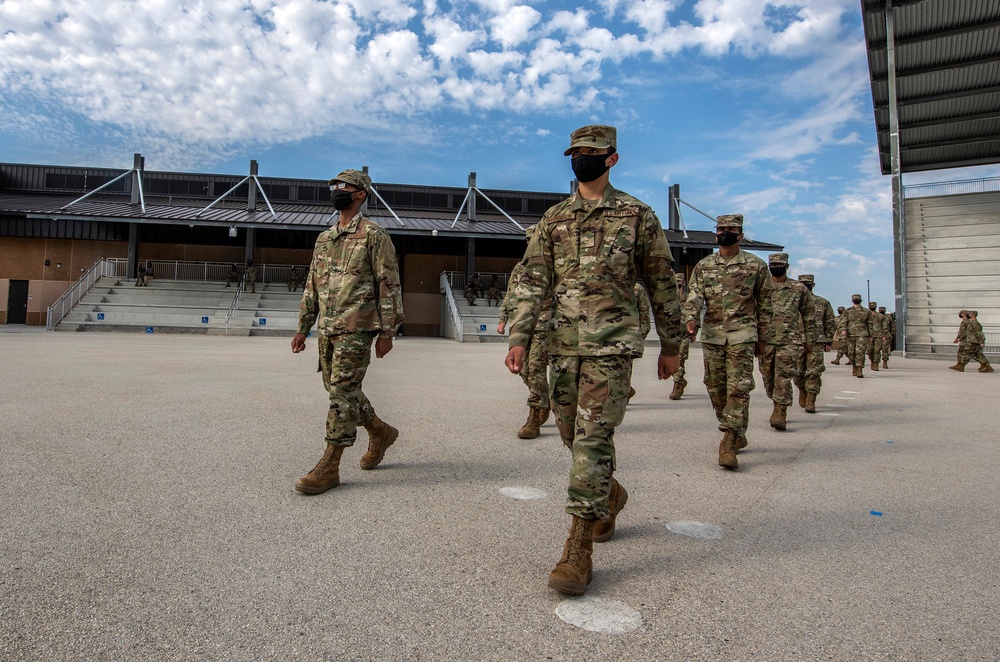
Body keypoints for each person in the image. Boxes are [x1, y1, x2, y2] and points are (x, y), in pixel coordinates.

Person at [504, 124, 682, 596]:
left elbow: (662, 282)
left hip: (612, 346)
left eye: (591, 152)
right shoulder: (555, 218)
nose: (581, 158)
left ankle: (578, 545)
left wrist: (671, 345)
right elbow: (531, 279)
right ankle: (611, 494)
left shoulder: (637, 215)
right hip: (562, 344)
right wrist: (519, 336)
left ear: (612, 158)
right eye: (575, 152)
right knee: (568, 431)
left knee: (593, 438)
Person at [291, 169, 404, 495]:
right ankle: (379, 430)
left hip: (358, 327)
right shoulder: (325, 238)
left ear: (361, 194)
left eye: (345, 186)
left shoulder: (374, 236)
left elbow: (389, 283)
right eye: (335, 186)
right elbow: (312, 284)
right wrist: (303, 327)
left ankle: (330, 465)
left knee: (341, 393)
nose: (338, 190)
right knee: (339, 389)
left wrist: (387, 331)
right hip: (328, 328)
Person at [682, 214, 772, 470]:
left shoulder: (756, 266)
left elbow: (766, 305)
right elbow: (695, 296)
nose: (725, 233)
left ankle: (729, 440)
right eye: (721, 229)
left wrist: (764, 338)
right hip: (712, 335)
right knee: (715, 387)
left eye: (730, 229)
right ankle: (734, 428)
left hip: (742, 335)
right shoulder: (704, 265)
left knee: (738, 388)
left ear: (740, 234)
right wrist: (691, 319)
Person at [498, 227, 551, 439]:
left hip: (546, 323)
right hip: (522, 324)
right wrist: (503, 318)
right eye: (528, 240)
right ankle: (543, 400)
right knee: (523, 369)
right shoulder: (520, 268)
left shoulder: (554, 265)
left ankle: (534, 417)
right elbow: (512, 295)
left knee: (537, 368)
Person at [758, 254, 814, 431]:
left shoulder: (798, 289)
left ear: (787, 266)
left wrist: (810, 340)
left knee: (783, 377)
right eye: (773, 264)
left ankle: (779, 412)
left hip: (790, 341)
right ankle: (776, 402)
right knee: (768, 378)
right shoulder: (761, 287)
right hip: (765, 341)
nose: (776, 267)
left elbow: (809, 315)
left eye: (779, 264)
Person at [793, 274, 835, 413]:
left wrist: (828, 341)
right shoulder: (792, 302)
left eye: (808, 283)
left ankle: (811, 399)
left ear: (813, 285)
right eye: (803, 283)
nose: (805, 285)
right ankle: (802, 390)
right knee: (798, 373)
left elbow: (829, 322)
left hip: (816, 341)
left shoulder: (823, 302)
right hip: (796, 342)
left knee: (814, 372)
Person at [669, 273, 694, 400]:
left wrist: (694, 332)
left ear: (684, 283)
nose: (678, 284)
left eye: (680, 282)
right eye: (676, 282)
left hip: (684, 332)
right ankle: (681, 382)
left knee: (680, 359)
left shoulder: (689, 297)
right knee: (675, 360)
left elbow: (694, 313)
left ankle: (676, 387)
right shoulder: (670, 297)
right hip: (672, 334)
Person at [843, 295, 872, 378]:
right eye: (855, 299)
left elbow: (870, 324)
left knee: (860, 352)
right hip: (850, 334)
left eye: (858, 299)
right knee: (851, 353)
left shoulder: (866, 311)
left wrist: (871, 335)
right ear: (852, 300)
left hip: (862, 334)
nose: (856, 300)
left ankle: (859, 369)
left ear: (861, 300)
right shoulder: (847, 311)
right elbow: (844, 322)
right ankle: (854, 367)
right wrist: (843, 330)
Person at [866, 302, 881, 371]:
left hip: (878, 335)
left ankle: (876, 364)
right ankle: (872, 360)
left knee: (877, 350)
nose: (872, 307)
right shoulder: (866, 315)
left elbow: (884, 326)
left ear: (876, 306)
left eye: (873, 306)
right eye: (871, 306)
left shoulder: (880, 316)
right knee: (869, 350)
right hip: (869, 335)